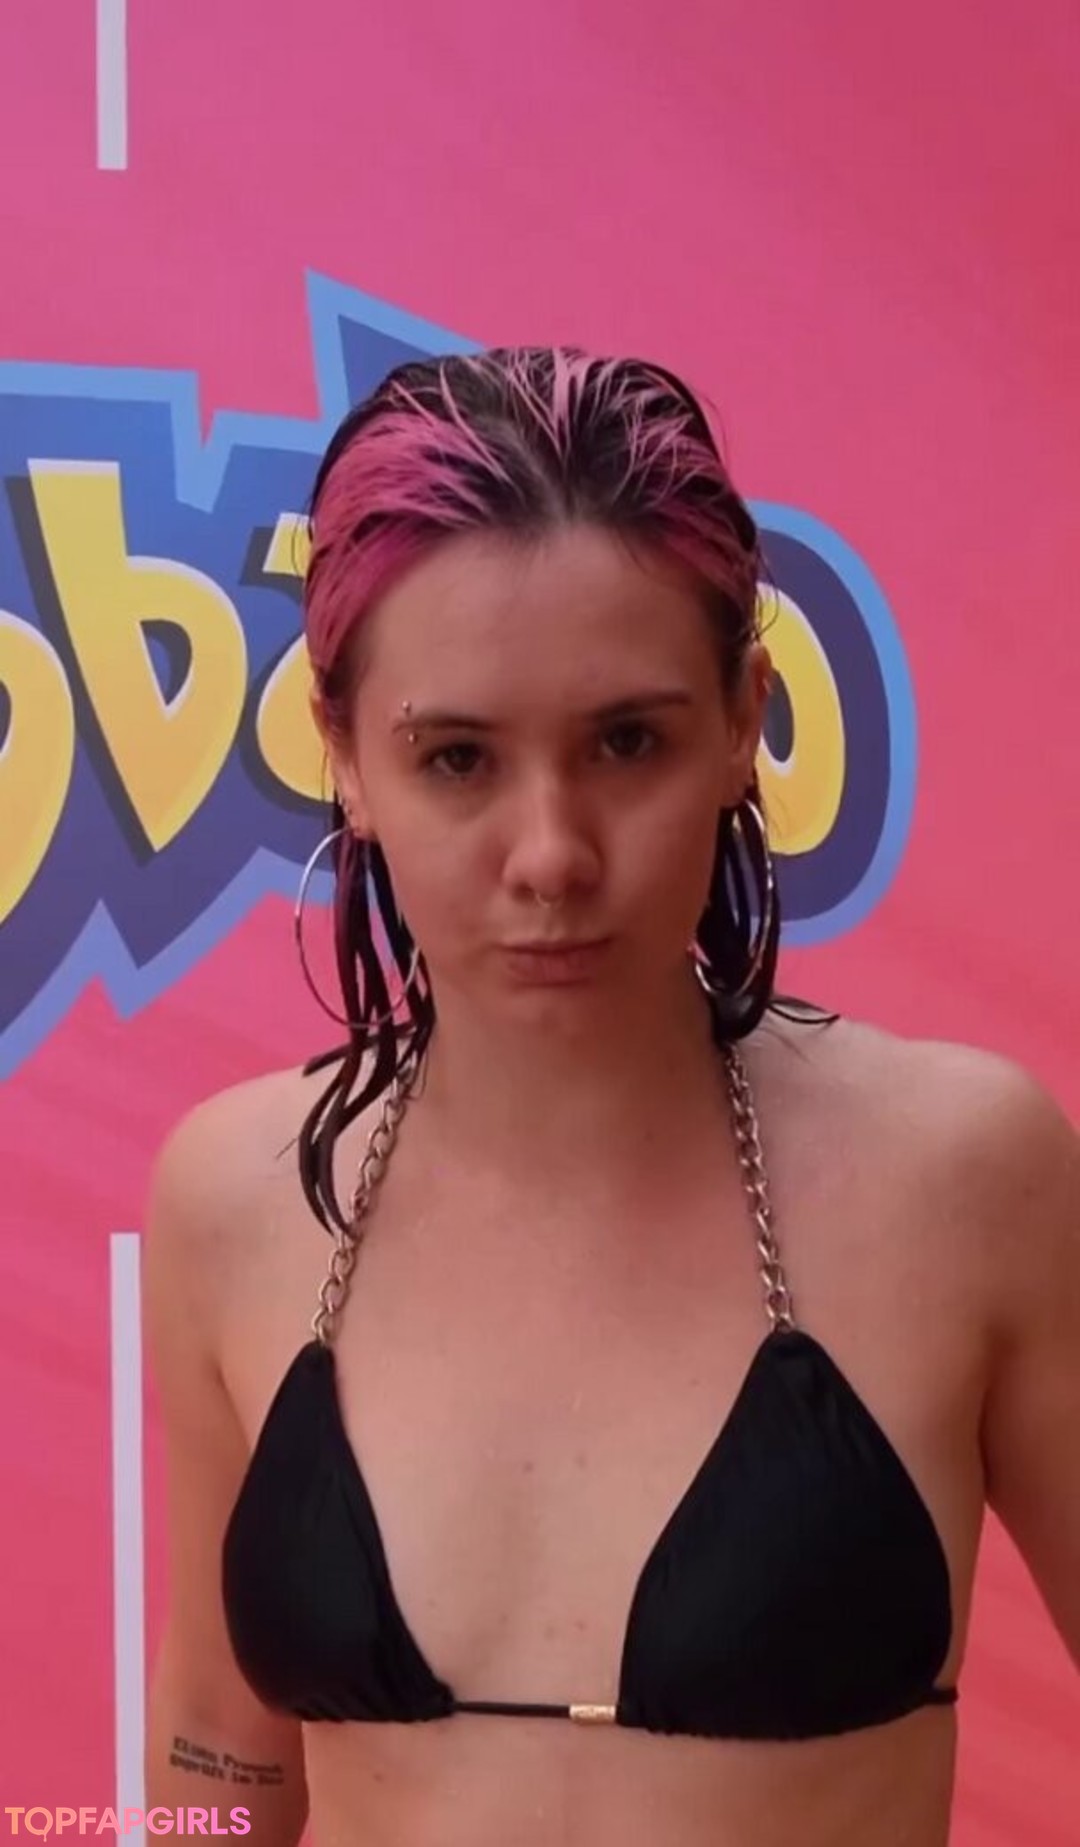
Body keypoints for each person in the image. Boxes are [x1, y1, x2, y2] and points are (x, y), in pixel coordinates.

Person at [143, 348, 1079, 1847]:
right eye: (458, 758)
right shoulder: (235, 1198)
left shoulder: (965, 1176)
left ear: (742, 720)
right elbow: (216, 1762)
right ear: (346, 759)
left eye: (626, 742)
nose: (552, 855)